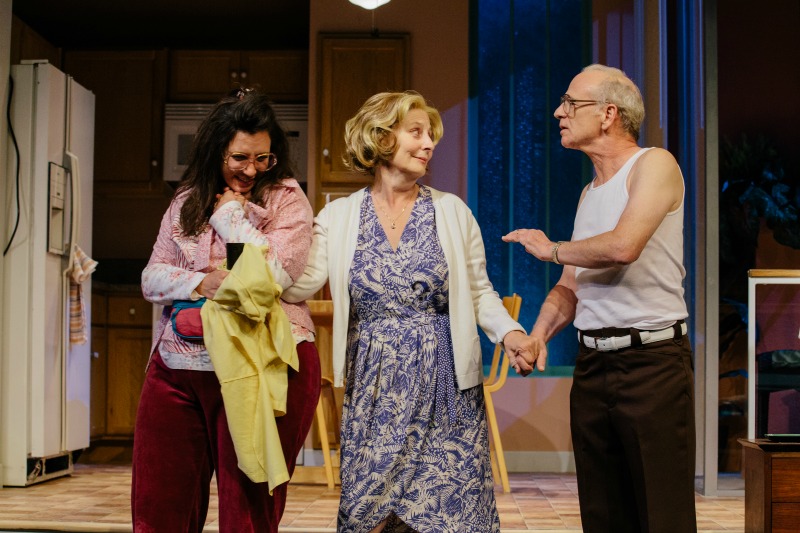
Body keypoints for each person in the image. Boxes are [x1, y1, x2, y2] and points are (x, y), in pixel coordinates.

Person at [282, 90, 534, 533]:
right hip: (375, 391)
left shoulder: (452, 212)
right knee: (368, 515)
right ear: (381, 138)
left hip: (445, 389)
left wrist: (510, 333)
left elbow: (479, 292)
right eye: (415, 132)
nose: (428, 143)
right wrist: (245, 242)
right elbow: (298, 284)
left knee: (451, 516)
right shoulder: (338, 217)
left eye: (431, 134)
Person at [503, 64, 697, 532]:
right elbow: (572, 285)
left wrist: (549, 248)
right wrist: (537, 334)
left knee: (661, 514)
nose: (558, 112)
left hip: (652, 365)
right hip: (594, 369)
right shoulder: (589, 193)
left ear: (609, 113)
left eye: (570, 103)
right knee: (603, 512)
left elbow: (622, 247)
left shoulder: (654, 164)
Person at [133, 88, 321, 532]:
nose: (252, 169)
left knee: (248, 511)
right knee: (160, 502)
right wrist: (203, 281)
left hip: (264, 364)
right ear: (217, 150)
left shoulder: (287, 200)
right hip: (178, 363)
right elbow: (151, 277)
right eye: (240, 157)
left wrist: (232, 218)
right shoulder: (185, 201)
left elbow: (271, 278)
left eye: (263, 158)